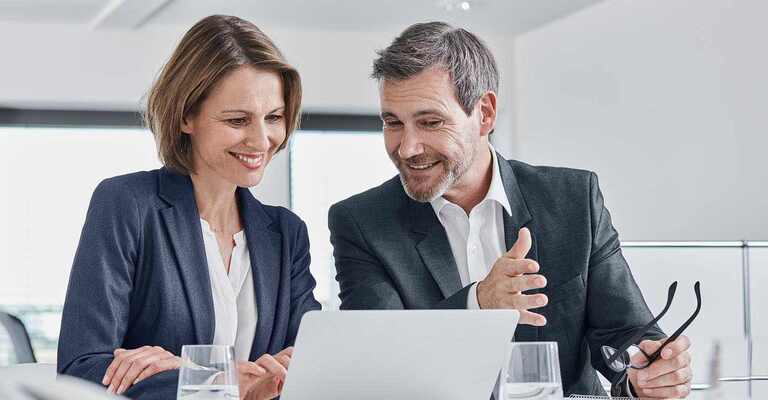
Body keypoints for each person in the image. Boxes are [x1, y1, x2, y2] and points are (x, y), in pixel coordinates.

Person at [329, 21, 693, 398]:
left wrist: (647, 369)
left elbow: (625, 333)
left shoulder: (574, 199)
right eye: (393, 123)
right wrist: (478, 303)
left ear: (484, 113)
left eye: (430, 122)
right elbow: (378, 361)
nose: (406, 148)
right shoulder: (360, 222)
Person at [57, 15, 320, 400]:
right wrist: (216, 379)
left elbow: (310, 361)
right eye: (237, 120)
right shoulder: (128, 205)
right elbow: (82, 367)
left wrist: (192, 368)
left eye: (274, 118)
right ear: (186, 116)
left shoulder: (286, 233)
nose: (261, 140)